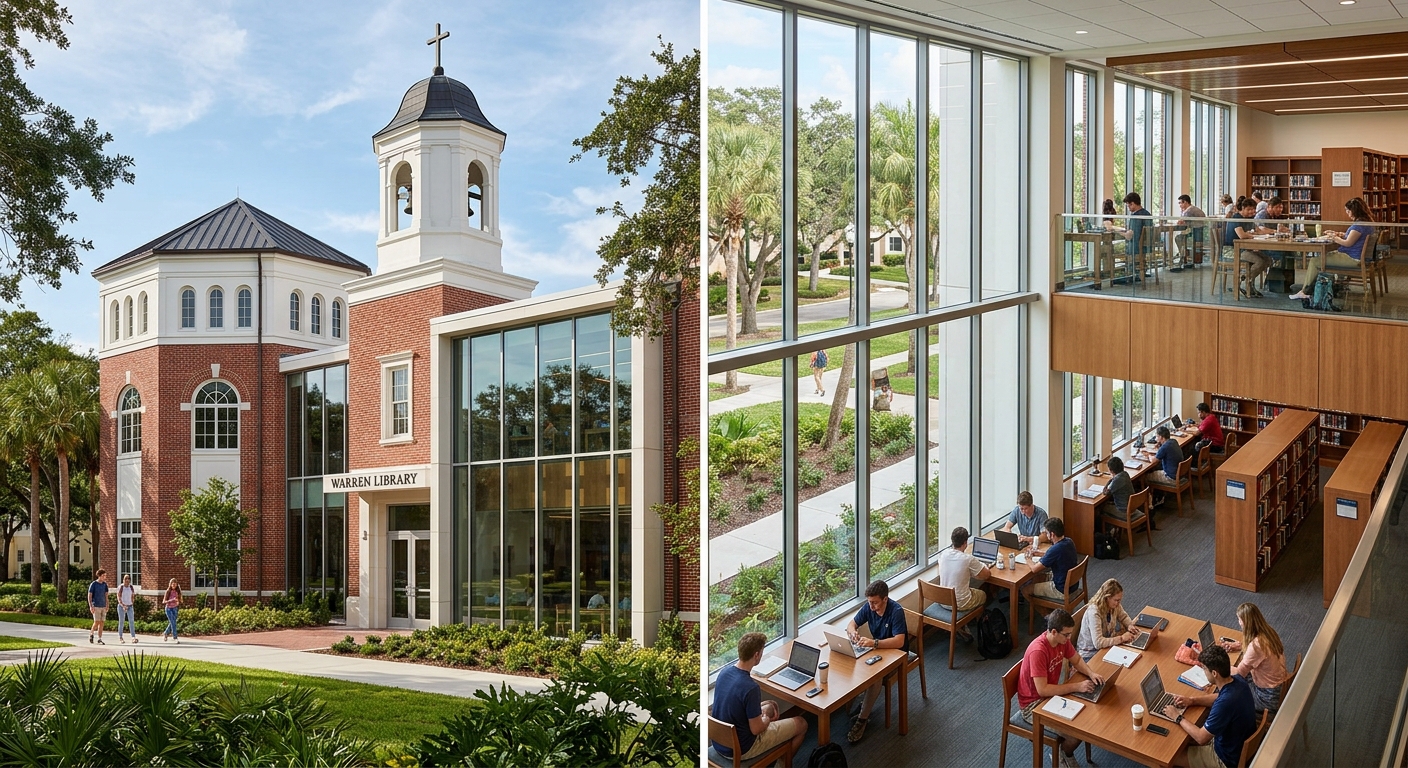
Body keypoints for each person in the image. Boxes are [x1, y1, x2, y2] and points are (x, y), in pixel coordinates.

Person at [1016, 609, 1103, 768]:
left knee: (1086, 715)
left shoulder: (1061, 641)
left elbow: (1076, 660)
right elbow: (1042, 690)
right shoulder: (1038, 651)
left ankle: (1063, 752)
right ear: (1054, 632)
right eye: (1067, 635)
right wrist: (1076, 686)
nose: (1069, 638)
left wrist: (1091, 673)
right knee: (1076, 732)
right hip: (1034, 706)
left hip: (1051, 695)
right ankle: (1063, 755)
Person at [710, 631, 808, 762]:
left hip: (718, 744)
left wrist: (763, 709)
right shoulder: (751, 687)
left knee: (768, 705)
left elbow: (736, 706)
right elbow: (757, 730)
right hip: (743, 749)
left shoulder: (724, 673)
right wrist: (766, 718)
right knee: (802, 724)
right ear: (756, 655)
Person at [1165, 645, 1257, 768]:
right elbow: (1218, 697)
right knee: (1185, 737)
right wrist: (1192, 700)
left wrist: (1177, 716)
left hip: (1224, 759)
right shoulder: (1238, 681)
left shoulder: (1225, 704)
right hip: (1236, 744)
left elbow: (1201, 737)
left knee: (1169, 756)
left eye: (1204, 669)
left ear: (1214, 673)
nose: (1203, 672)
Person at [845, 579, 908, 743]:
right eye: (869, 603)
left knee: (875, 677)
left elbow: (900, 641)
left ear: (885, 599)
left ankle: (862, 719)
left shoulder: (896, 611)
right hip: (878, 649)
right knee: (854, 664)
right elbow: (852, 624)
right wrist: (852, 632)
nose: (871, 607)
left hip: (896, 654)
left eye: (875, 603)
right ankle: (865, 703)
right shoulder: (869, 606)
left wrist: (874, 643)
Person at [1290, 198, 1376, 301]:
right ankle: (1319, 288)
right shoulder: (1367, 223)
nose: (1347, 213)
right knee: (1324, 257)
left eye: (1348, 211)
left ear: (1354, 211)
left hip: (1352, 259)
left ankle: (1304, 291)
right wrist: (1338, 234)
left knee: (1314, 261)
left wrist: (1333, 238)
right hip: (1357, 257)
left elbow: (1348, 243)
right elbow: (1353, 237)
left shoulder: (1359, 225)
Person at [1220, 603, 1288, 715]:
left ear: (1246, 622)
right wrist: (1240, 646)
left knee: (1227, 686)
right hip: (1278, 688)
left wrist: (1220, 666)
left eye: (1239, 619)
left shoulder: (1256, 646)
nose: (1239, 622)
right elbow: (1261, 654)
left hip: (1267, 697)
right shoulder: (1268, 632)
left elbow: (1239, 674)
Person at [1076, 578, 1148, 661]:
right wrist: (1121, 638)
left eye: (1119, 600)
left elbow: (1123, 616)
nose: (1118, 603)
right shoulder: (1094, 612)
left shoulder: (1114, 605)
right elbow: (1098, 643)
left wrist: (1130, 625)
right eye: (1116, 600)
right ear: (1107, 598)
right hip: (1091, 654)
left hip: (1107, 645)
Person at [938, 526, 991, 624]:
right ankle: (979, 624)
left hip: (942, 600)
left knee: (969, 588)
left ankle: (966, 626)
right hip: (960, 603)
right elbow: (986, 575)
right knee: (983, 595)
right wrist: (984, 565)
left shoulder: (943, 554)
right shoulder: (968, 559)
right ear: (965, 542)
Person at [1023, 517, 1079, 603]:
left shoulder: (1055, 549)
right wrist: (1039, 553)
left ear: (1052, 534)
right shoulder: (1069, 541)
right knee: (1036, 578)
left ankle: (1045, 614)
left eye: (1046, 533)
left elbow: (1034, 569)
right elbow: (1056, 555)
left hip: (1061, 589)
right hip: (1072, 584)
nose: (1046, 535)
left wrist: (1028, 559)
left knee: (1025, 590)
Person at [1224, 197, 1270, 298]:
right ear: (1243, 208)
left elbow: (1258, 230)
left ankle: (1248, 283)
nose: (1252, 212)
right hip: (1233, 250)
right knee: (1260, 261)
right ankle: (1244, 282)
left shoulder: (1249, 219)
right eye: (1249, 209)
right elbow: (1242, 235)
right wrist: (1251, 234)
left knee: (1267, 259)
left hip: (1244, 248)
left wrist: (1272, 232)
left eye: (1253, 209)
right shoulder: (1237, 218)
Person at [1253, 196, 1293, 291]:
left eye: (1281, 207)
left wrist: (1283, 229)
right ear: (1270, 207)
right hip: (1259, 247)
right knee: (1281, 254)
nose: (1280, 209)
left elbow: (1278, 227)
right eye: (1278, 207)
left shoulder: (1274, 216)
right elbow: (1262, 229)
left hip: (1269, 244)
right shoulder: (1262, 215)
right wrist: (1276, 231)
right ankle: (1274, 283)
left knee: (1289, 253)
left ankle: (1286, 282)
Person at [1100, 455, 1138, 528]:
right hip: (1131, 507)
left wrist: (1108, 483)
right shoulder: (1125, 474)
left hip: (1123, 510)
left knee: (1102, 509)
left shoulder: (1117, 480)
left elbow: (1106, 492)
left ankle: (1110, 531)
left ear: (1111, 470)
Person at [1172, 194, 1208, 271]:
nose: (1179, 205)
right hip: (1198, 232)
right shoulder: (1193, 209)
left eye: (1180, 203)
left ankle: (1183, 255)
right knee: (1181, 237)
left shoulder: (1189, 210)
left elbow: (1181, 222)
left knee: (1178, 238)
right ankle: (1183, 255)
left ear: (1185, 202)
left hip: (1195, 232)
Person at [1148, 425, 1185, 495]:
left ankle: (1155, 499)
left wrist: (1148, 455)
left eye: (1157, 436)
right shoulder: (1173, 441)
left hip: (1171, 477)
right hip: (1180, 473)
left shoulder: (1165, 447)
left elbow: (1153, 460)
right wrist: (1160, 445)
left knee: (1146, 477)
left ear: (1161, 437)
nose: (1156, 439)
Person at [87, 569, 109, 645]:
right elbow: (90, 596)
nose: (104, 577)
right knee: (97, 622)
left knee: (102, 622)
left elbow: (106, 595)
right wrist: (91, 606)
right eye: (103, 576)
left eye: (105, 576)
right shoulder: (94, 584)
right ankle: (91, 633)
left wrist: (107, 605)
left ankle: (99, 638)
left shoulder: (105, 585)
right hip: (96, 605)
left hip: (103, 606)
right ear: (99, 576)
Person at [115, 574, 138, 644]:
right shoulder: (121, 587)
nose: (127, 580)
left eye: (128, 579)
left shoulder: (131, 587)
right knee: (121, 621)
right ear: (123, 580)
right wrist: (123, 605)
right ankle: (120, 637)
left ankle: (133, 637)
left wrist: (132, 602)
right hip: (122, 606)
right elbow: (118, 597)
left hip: (130, 606)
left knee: (131, 621)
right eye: (126, 579)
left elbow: (133, 596)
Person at [162, 578, 182, 643]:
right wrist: (171, 600)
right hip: (168, 609)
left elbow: (180, 600)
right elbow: (164, 601)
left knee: (173, 622)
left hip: (175, 608)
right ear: (170, 584)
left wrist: (178, 601)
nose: (173, 585)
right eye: (172, 583)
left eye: (175, 583)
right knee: (173, 623)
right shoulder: (168, 591)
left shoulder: (178, 591)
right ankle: (175, 637)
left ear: (176, 584)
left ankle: (165, 633)